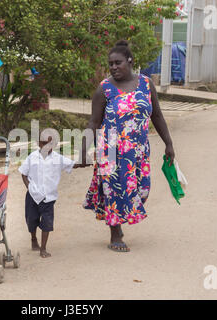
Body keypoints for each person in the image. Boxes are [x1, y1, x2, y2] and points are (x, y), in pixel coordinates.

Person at [76, 40, 175, 252]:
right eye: (110, 63)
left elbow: (156, 115)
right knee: (114, 191)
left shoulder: (146, 84)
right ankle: (115, 234)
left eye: (117, 62)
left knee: (141, 191)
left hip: (138, 151)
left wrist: (169, 143)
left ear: (130, 61)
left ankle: (118, 221)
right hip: (110, 150)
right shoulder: (104, 89)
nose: (113, 67)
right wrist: (83, 150)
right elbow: (93, 122)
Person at [18, 129, 76, 258]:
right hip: (32, 196)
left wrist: (88, 162)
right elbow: (23, 174)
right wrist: (29, 188)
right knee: (31, 220)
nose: (47, 146)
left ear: (55, 145)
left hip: (49, 197)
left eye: (51, 144)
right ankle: (33, 238)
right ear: (39, 143)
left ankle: (43, 248)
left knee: (47, 222)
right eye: (44, 143)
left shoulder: (58, 158)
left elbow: (72, 165)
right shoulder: (32, 157)